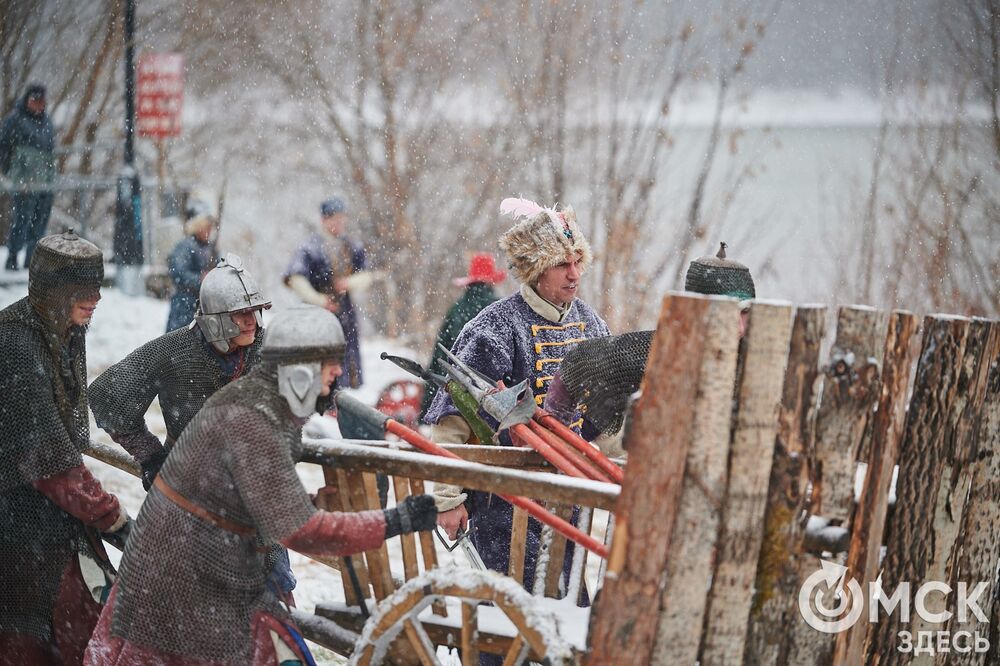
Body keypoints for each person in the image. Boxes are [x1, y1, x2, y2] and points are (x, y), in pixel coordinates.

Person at [85, 305, 438, 666]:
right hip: (184, 581)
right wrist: (396, 521)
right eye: (327, 364)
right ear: (298, 369)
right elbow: (301, 531)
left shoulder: (258, 401)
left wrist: (314, 503)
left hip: (194, 567)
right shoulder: (253, 419)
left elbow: (255, 500)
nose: (337, 373)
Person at [423, 198, 610, 602]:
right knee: (505, 623)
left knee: (564, 617)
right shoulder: (492, 329)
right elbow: (451, 425)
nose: (575, 273)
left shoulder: (592, 326)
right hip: (502, 507)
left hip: (570, 504)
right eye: (563, 264)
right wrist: (448, 498)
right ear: (536, 268)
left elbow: (607, 422)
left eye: (578, 260)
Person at [0, 231, 130, 664]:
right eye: (82, 289)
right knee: (26, 644)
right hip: (16, 530)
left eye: (97, 288)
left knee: (84, 635)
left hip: (54, 526)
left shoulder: (64, 328)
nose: (95, 298)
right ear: (53, 291)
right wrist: (110, 516)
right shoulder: (16, 344)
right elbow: (47, 456)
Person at [543, 241, 757, 446]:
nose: (738, 327)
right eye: (726, 312)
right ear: (696, 310)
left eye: (745, 312)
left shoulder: (765, 369)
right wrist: (561, 441)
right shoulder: (650, 351)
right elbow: (576, 365)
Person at [90, 253, 269, 490]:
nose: (251, 322)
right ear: (217, 318)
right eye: (241, 313)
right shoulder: (173, 349)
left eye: (254, 311)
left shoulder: (266, 348)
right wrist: (151, 456)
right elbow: (108, 396)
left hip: (249, 477)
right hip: (187, 476)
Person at [283, 197, 367, 388]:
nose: (339, 224)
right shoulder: (310, 247)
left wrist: (349, 282)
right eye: (334, 219)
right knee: (320, 358)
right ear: (324, 220)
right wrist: (320, 300)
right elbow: (295, 278)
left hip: (344, 311)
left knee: (346, 358)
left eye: (341, 219)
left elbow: (367, 274)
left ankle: (344, 393)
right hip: (316, 314)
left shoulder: (351, 245)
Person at [419, 252, 507, 420]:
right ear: (491, 281)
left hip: (455, 397)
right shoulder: (500, 310)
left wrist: (428, 405)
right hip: (493, 403)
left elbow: (439, 357)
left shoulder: (456, 310)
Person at [1, 83, 56, 271]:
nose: (39, 105)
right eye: (35, 100)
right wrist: (11, 176)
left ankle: (32, 262)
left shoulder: (47, 123)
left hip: (45, 182)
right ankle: (12, 259)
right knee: (22, 220)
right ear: (27, 100)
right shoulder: (15, 120)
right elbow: (4, 149)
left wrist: (50, 181)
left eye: (42, 101)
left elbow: (50, 152)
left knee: (40, 223)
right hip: (24, 182)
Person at [165, 212, 217, 332]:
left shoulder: (210, 248)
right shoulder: (185, 246)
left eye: (210, 229)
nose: (209, 232)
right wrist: (200, 279)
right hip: (184, 303)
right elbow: (177, 272)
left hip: (203, 304)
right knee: (178, 340)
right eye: (206, 228)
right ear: (198, 227)